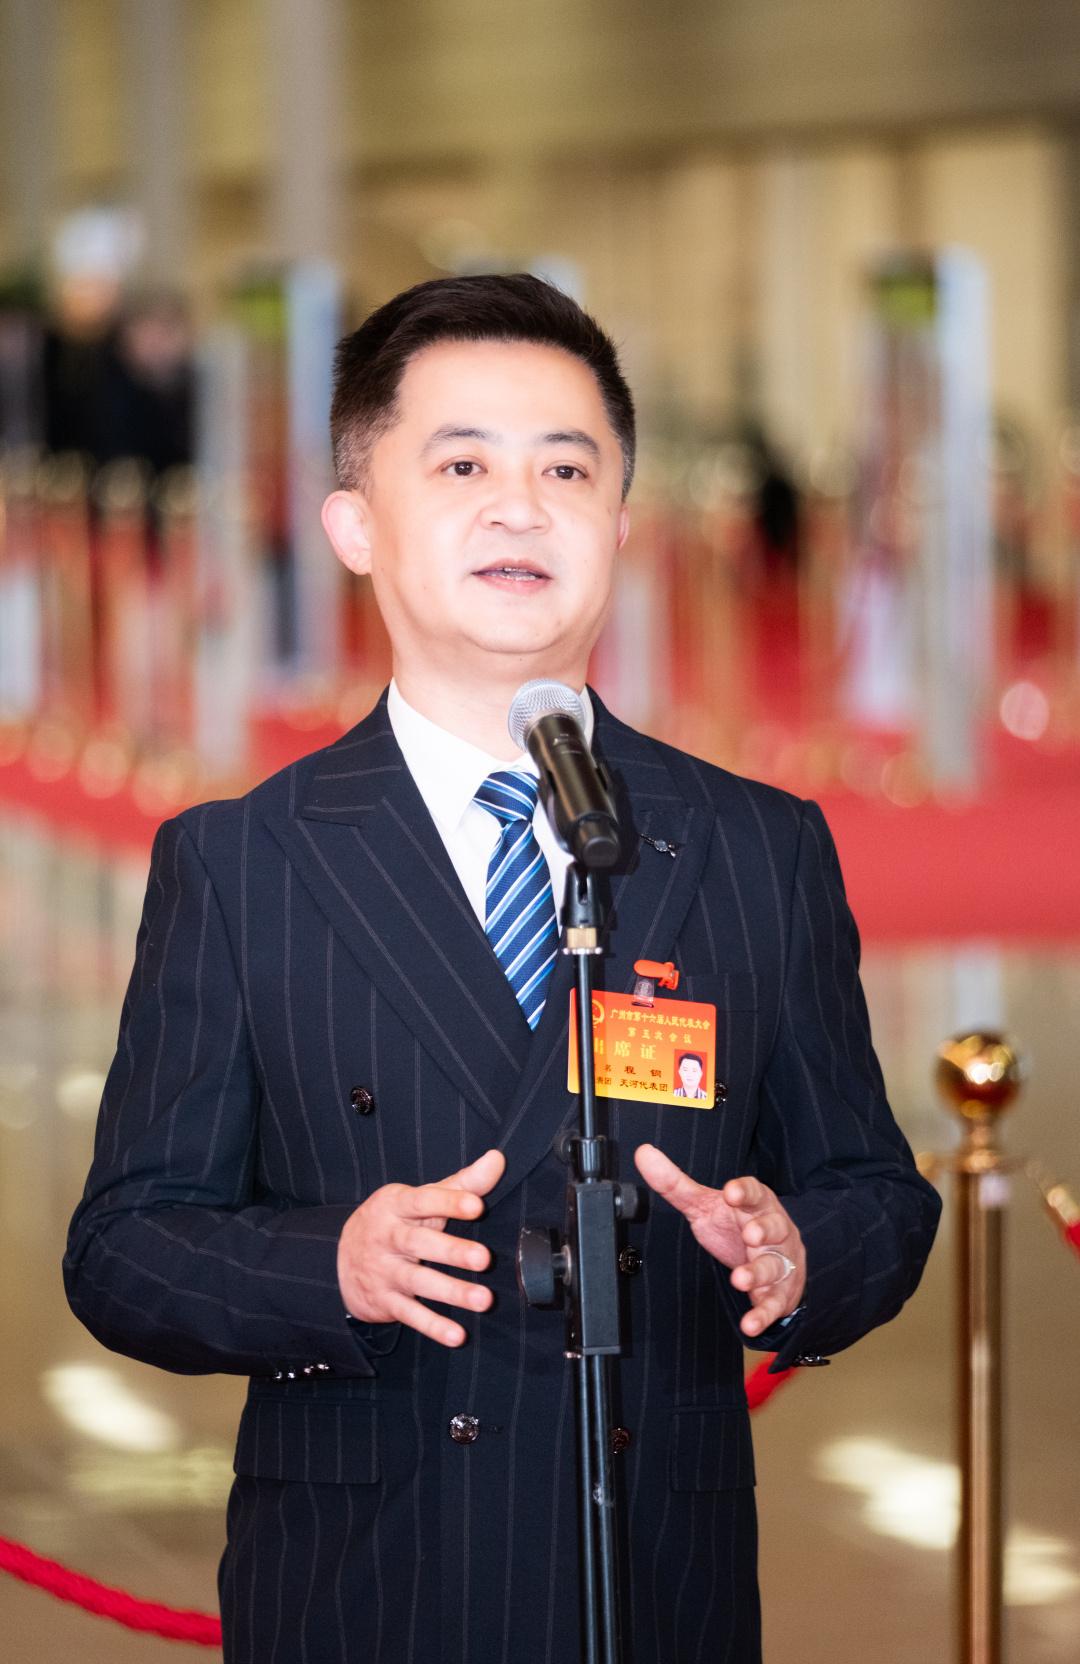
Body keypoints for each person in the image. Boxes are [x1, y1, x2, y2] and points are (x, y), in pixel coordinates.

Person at [64, 274, 941, 1664]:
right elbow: (124, 1247)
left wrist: (798, 1251)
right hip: (370, 1585)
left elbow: (877, 1193)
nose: (520, 507)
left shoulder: (755, 846)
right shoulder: (244, 862)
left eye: (566, 469)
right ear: (355, 526)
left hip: (656, 1580)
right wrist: (332, 1264)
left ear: (621, 524)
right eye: (462, 464)